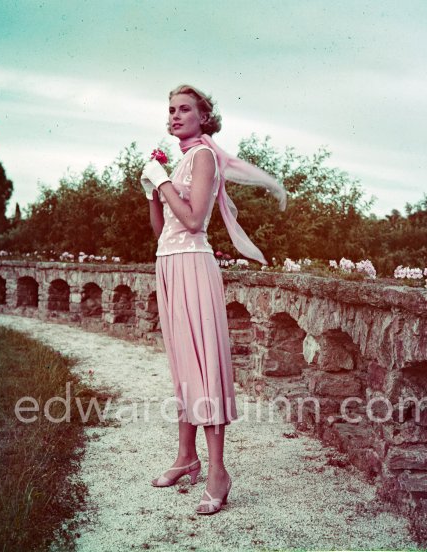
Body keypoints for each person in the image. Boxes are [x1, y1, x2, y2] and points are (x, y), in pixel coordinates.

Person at [141, 84, 287, 515]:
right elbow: (161, 229)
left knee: (203, 364)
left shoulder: (203, 156)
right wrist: (152, 190)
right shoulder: (183, 158)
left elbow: (191, 220)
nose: (175, 115)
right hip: (168, 263)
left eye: (185, 109)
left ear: (204, 117)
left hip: (192, 264)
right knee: (183, 364)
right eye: (170, 109)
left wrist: (162, 181)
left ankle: (218, 471)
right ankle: (187, 459)